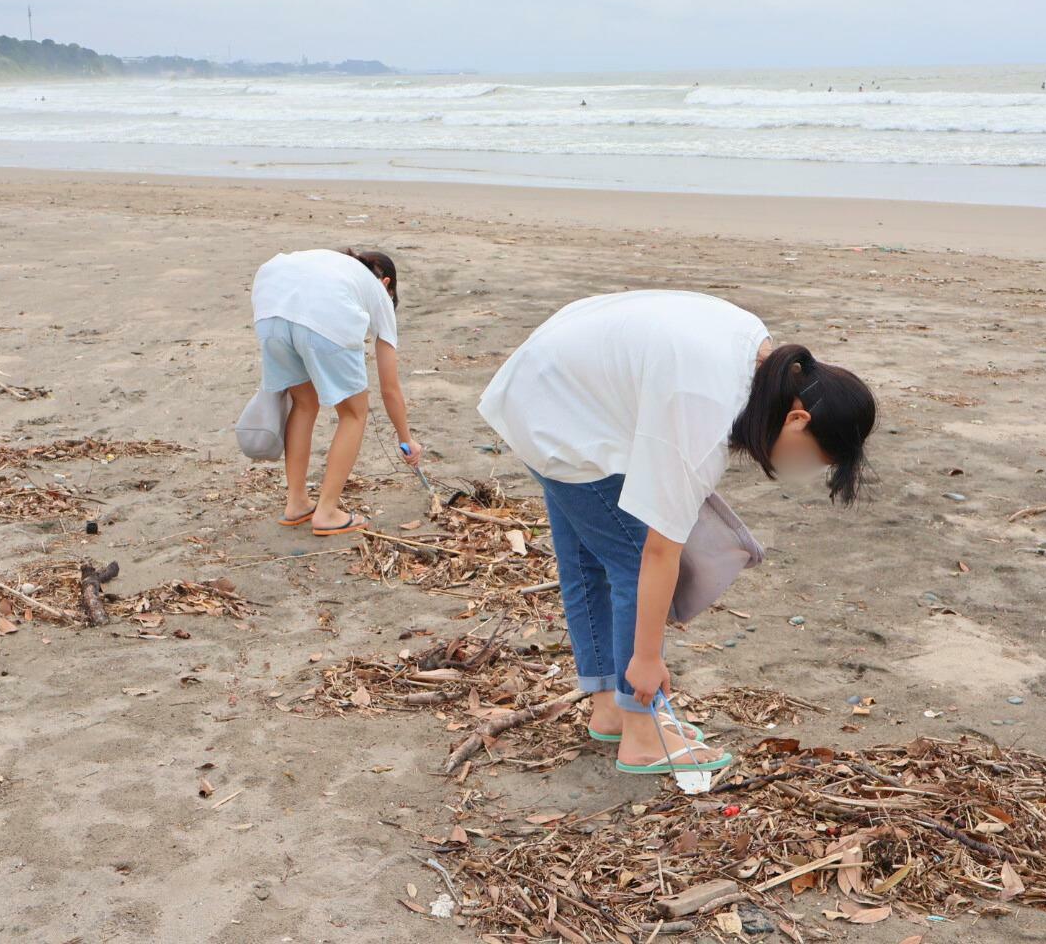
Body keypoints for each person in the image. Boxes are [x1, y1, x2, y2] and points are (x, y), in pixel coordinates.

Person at [478, 291, 875, 775]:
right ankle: (641, 732)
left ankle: (609, 709)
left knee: (587, 553)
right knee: (624, 559)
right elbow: (657, 553)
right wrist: (646, 661)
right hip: (557, 406)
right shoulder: (703, 414)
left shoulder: (761, 354)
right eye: (811, 458)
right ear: (798, 418)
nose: (801, 469)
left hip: (552, 377)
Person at [251, 248, 420, 536]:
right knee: (354, 413)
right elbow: (389, 388)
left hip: (270, 308)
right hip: (323, 316)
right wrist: (407, 441)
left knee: (303, 403)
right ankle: (327, 512)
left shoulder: (335, 267)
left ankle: (297, 503)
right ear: (387, 284)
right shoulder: (378, 294)